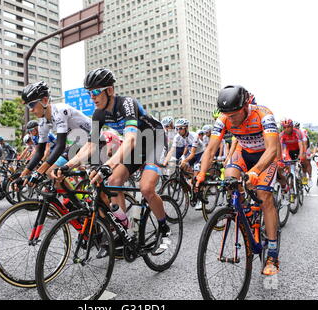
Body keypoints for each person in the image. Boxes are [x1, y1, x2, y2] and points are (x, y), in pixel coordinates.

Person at [53, 67, 171, 256]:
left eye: (95, 92)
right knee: (114, 182)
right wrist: (67, 166)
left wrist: (108, 165)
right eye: (89, 93)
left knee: (146, 188)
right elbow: (90, 146)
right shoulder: (98, 114)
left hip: (153, 139)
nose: (92, 97)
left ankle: (164, 228)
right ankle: (125, 230)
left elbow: (130, 139)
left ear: (109, 90)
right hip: (137, 146)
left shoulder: (127, 104)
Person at [195, 85, 281, 276]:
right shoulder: (224, 118)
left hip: (264, 156)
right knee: (230, 181)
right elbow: (210, 150)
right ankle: (246, 213)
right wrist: (201, 174)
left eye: (234, 115)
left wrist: (256, 171)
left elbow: (272, 149)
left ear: (245, 107)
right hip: (243, 154)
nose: (230, 120)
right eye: (227, 115)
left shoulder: (264, 115)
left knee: (263, 195)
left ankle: (272, 255)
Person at [19, 81, 91, 187]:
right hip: (78, 144)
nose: (31, 110)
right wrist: (23, 174)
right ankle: (74, 201)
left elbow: (60, 146)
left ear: (44, 100)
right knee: (51, 172)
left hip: (94, 139)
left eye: (32, 105)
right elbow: (39, 152)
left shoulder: (60, 110)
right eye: (28, 107)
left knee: (98, 185)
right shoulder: (43, 123)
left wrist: (38, 172)